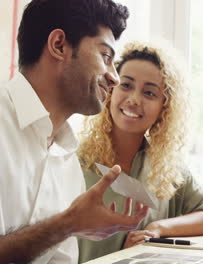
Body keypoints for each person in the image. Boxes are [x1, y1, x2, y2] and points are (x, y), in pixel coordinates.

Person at [0, 1, 150, 263]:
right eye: (105, 56)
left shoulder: (67, 158)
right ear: (59, 45)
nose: (114, 77)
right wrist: (67, 225)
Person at [77, 41, 203, 262]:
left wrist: (158, 228)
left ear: (164, 108)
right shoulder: (75, 161)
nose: (135, 99)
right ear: (110, 89)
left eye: (149, 93)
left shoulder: (166, 168)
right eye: (126, 85)